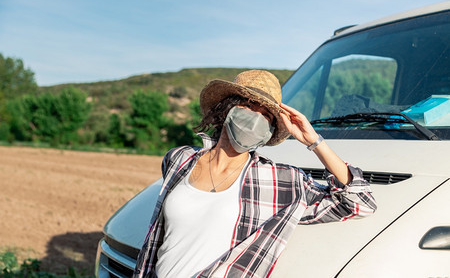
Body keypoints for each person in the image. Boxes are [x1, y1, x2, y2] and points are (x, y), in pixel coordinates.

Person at [133, 70, 377, 278]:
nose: (255, 118)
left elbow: (360, 203)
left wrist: (313, 141)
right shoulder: (179, 159)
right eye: (249, 106)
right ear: (226, 110)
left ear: (269, 130)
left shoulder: (280, 180)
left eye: (266, 115)